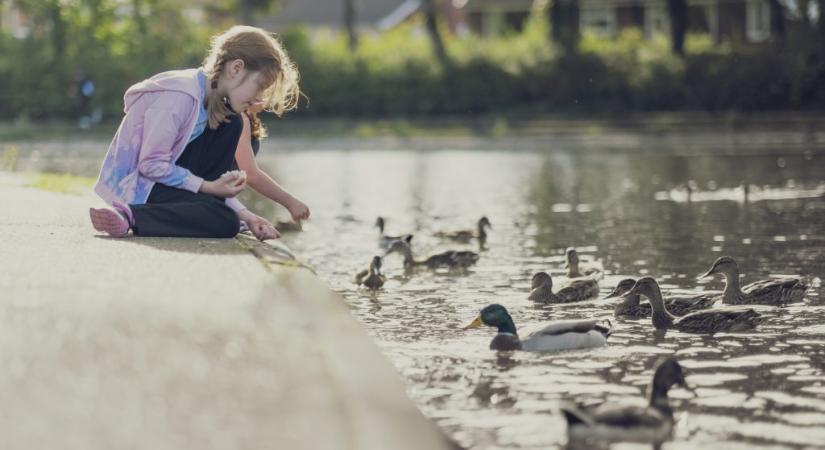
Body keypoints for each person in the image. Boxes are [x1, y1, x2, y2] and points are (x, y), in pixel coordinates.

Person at [89, 25, 308, 240]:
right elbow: (150, 165)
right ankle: (129, 215)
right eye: (260, 86)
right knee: (225, 221)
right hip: (138, 187)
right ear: (236, 68)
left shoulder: (219, 110)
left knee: (226, 213)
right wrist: (207, 187)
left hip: (167, 185)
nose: (259, 98)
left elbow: (214, 185)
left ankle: (158, 216)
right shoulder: (180, 96)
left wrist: (247, 216)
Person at [233, 101, 309, 238]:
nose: (265, 97)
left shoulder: (247, 117)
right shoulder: (241, 118)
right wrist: (291, 202)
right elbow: (250, 173)